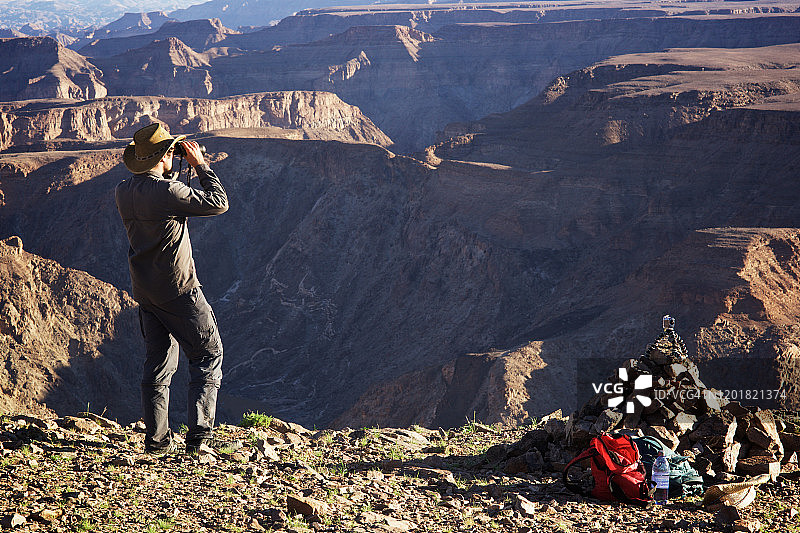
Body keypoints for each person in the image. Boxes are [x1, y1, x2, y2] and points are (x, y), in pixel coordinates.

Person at [115, 123, 228, 454]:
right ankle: (200, 440)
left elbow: (157, 196)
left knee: (158, 363)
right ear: (166, 155)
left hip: (146, 290)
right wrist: (200, 166)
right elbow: (219, 203)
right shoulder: (169, 192)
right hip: (179, 290)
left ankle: (157, 441)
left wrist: (173, 170)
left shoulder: (123, 190)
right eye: (171, 152)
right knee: (208, 354)